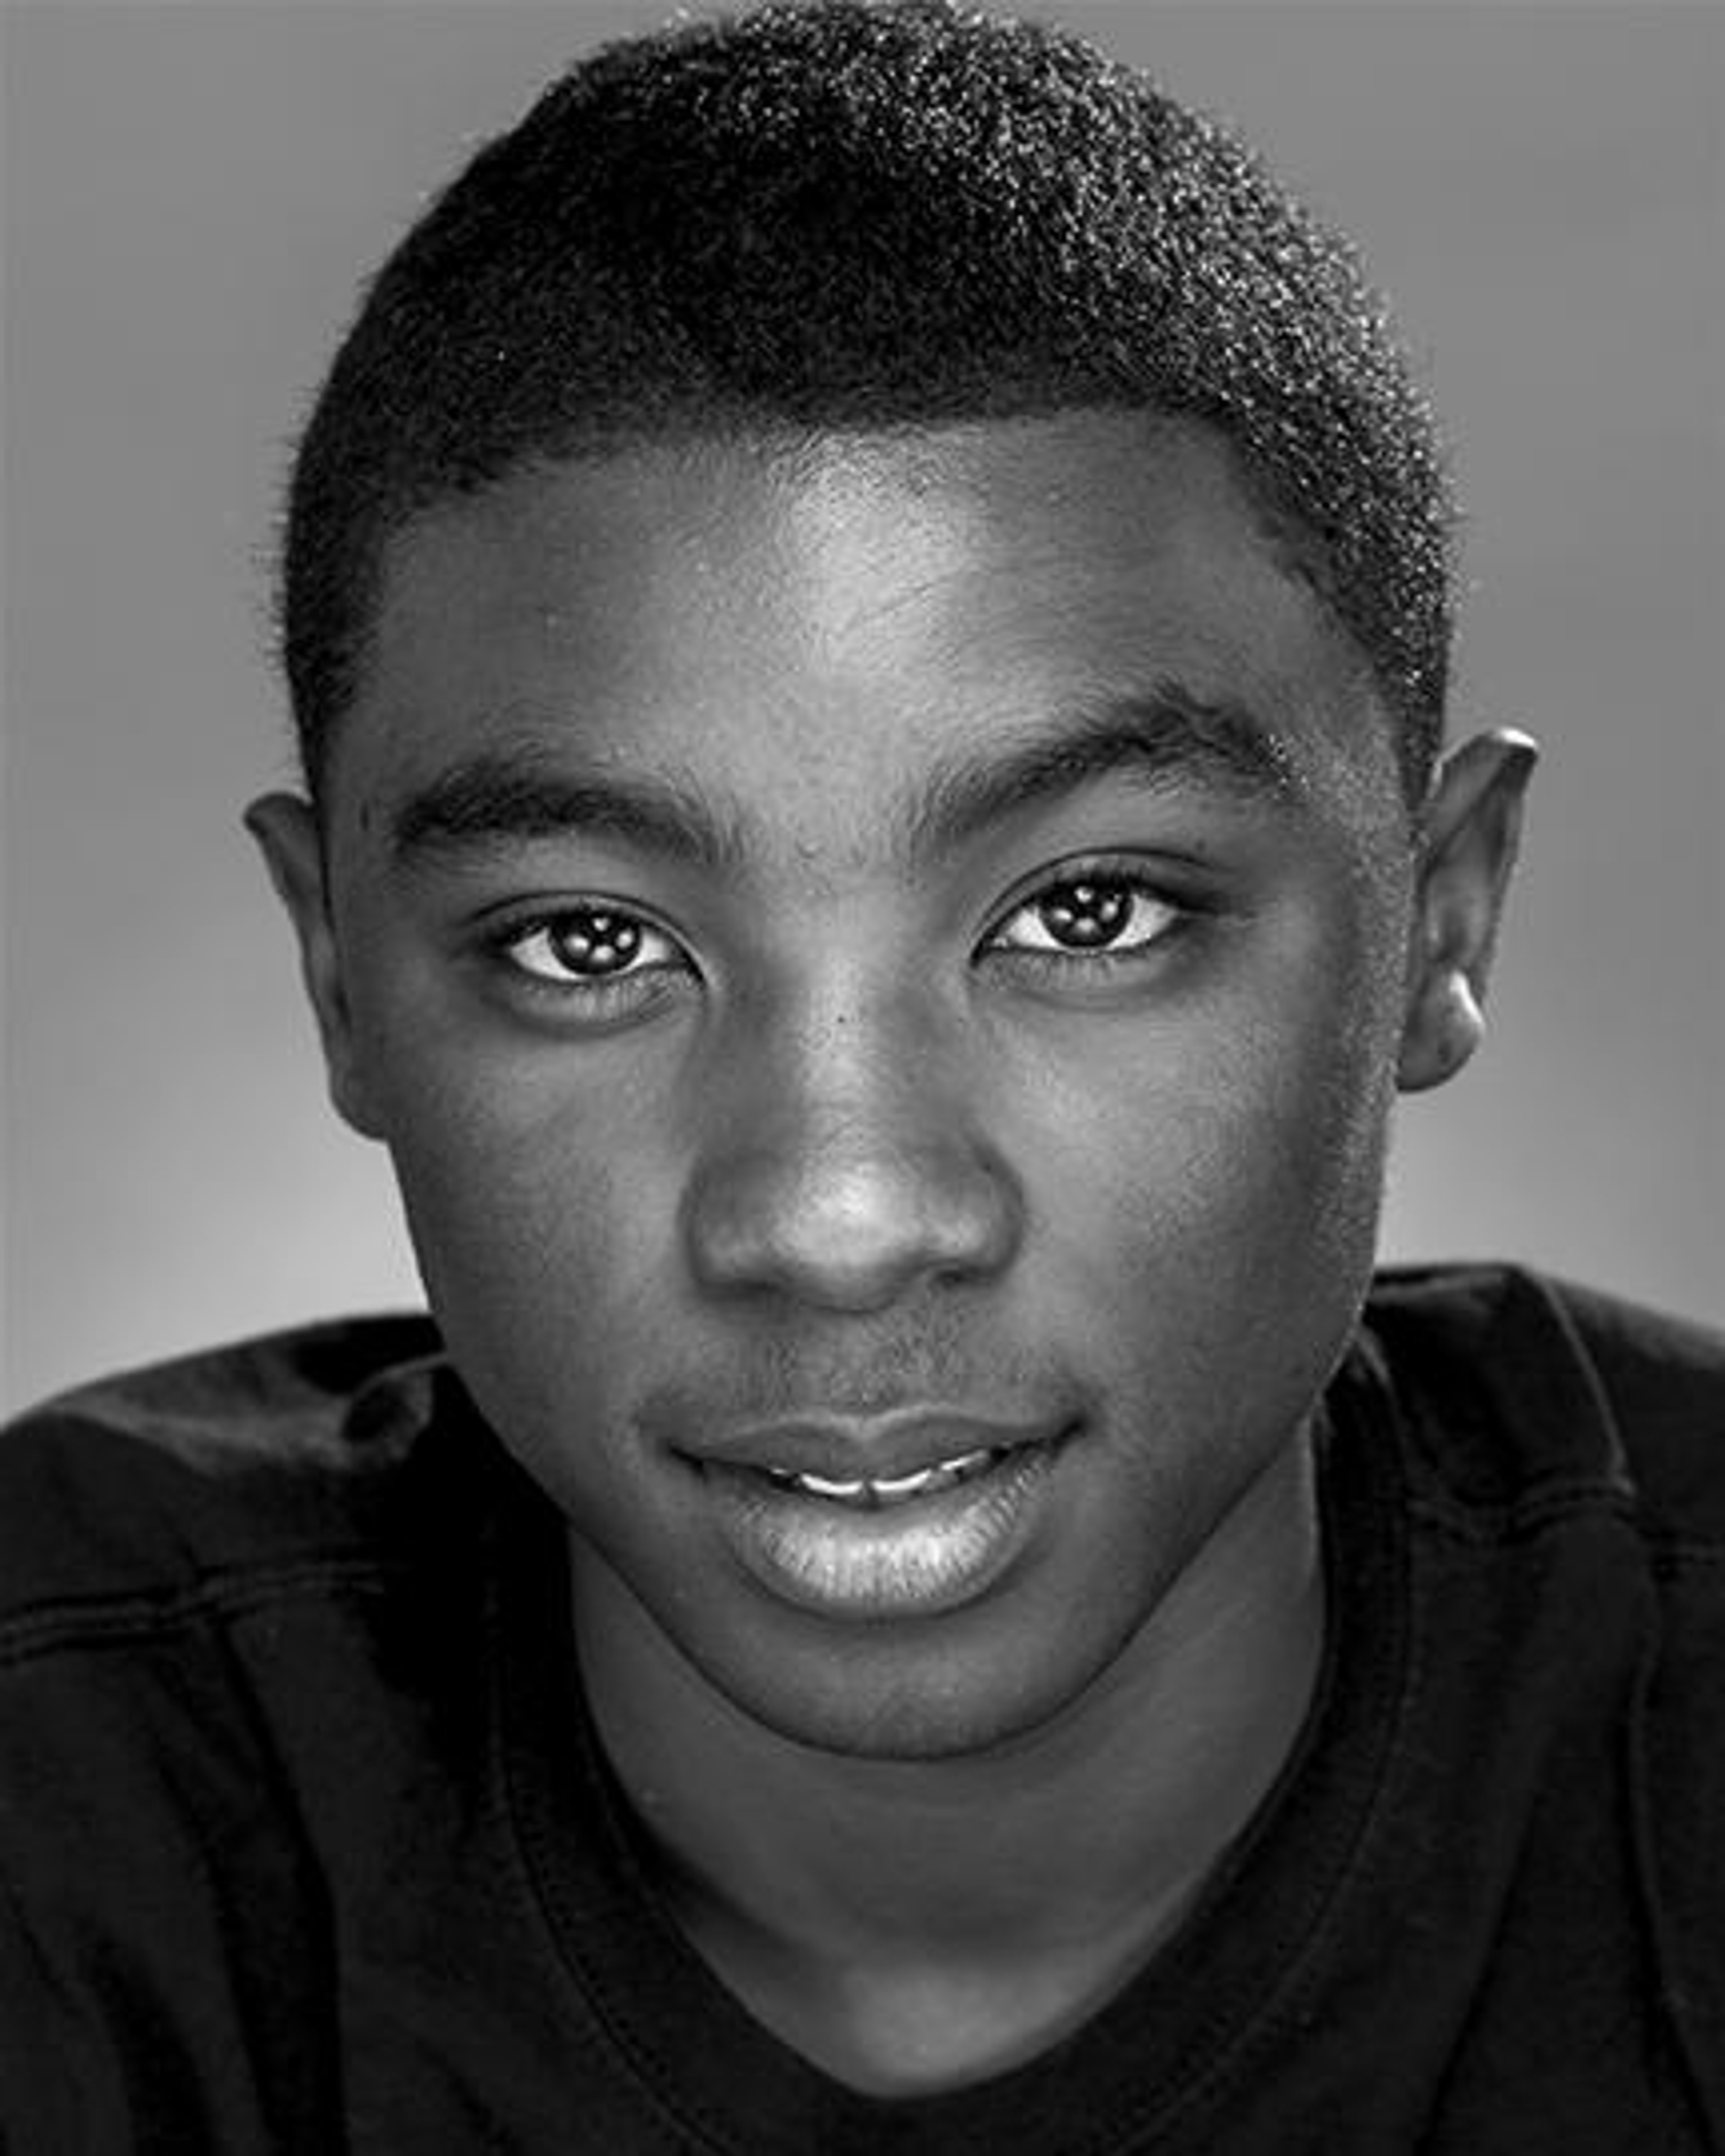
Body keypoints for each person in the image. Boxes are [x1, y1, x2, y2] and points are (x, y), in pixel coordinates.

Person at [3, 1, 1721, 2147]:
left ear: (1439, 921)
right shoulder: (73, 1800)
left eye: (1086, 915)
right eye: (591, 942)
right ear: (341, 980)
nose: (837, 1217)